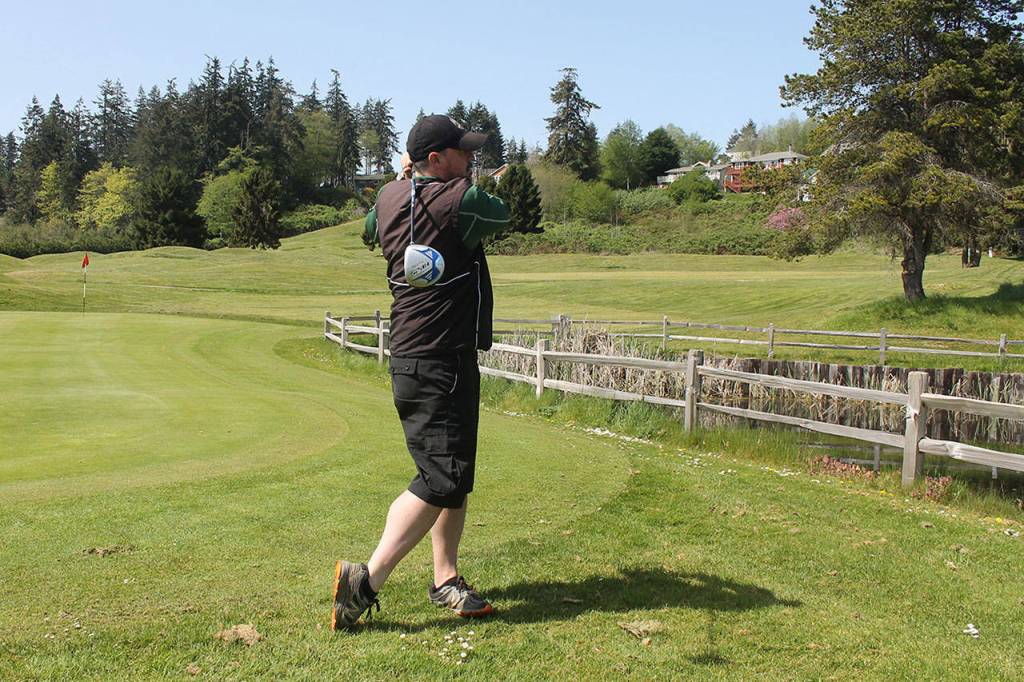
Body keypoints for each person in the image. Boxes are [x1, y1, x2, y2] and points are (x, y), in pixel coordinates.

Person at [331, 115, 511, 630]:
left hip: (423, 356)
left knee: (456, 475)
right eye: (462, 152)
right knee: (440, 475)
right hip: (440, 359)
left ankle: (445, 577)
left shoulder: (389, 196)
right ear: (436, 159)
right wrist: (461, 188)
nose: (470, 159)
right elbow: (505, 213)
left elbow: (370, 230)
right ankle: (364, 583)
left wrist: (404, 179)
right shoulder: (463, 199)